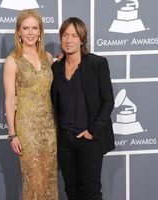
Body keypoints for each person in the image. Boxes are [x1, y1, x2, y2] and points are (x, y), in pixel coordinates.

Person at [51, 17, 115, 200]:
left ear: (82, 39)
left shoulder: (97, 64)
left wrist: (92, 131)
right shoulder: (56, 68)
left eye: (74, 35)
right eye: (65, 35)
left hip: (89, 140)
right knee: (71, 191)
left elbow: (108, 100)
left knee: (91, 192)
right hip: (65, 140)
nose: (69, 40)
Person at [3, 9, 58, 200]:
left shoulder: (48, 58)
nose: (30, 32)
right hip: (27, 128)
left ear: (40, 31)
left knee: (50, 178)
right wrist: (12, 134)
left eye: (35, 28)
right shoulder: (12, 61)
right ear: (18, 31)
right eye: (25, 28)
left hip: (49, 128)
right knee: (33, 179)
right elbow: (9, 99)